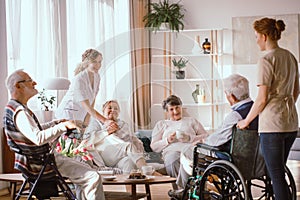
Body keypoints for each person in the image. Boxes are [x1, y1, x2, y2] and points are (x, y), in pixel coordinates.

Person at [3, 69, 106, 200]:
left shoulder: (14, 108)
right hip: (41, 161)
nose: (34, 83)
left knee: (86, 172)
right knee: (93, 176)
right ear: (18, 86)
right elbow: (38, 138)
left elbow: (35, 130)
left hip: (37, 159)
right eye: (30, 81)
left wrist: (56, 122)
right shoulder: (20, 112)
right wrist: (63, 126)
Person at [168, 74, 259, 199]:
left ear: (231, 97)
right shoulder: (258, 110)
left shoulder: (235, 116)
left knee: (188, 150)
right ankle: (193, 188)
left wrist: (202, 141)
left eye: (226, 94)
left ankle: (187, 190)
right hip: (256, 161)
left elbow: (215, 141)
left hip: (231, 159)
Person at [237, 17, 299, 200]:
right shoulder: (290, 56)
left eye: (256, 36)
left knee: (275, 175)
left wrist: (246, 121)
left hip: (272, 125)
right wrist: (284, 107)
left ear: (264, 36)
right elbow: (296, 91)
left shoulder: (266, 60)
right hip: (291, 123)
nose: (256, 40)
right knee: (279, 172)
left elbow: (262, 99)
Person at [84, 100, 156, 174]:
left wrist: (139, 145)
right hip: (105, 154)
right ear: (103, 110)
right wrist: (106, 132)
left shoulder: (124, 125)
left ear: (118, 112)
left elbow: (133, 139)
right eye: (110, 108)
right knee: (128, 146)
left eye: (116, 109)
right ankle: (147, 171)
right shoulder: (96, 123)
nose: (113, 110)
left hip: (122, 155)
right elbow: (87, 141)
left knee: (128, 162)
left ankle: (129, 185)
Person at [150, 95, 208, 185]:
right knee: (172, 159)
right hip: (171, 152)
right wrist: (167, 140)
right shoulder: (161, 124)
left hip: (189, 151)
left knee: (189, 158)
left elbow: (206, 137)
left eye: (177, 108)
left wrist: (189, 138)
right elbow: (153, 147)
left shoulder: (191, 121)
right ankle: (182, 189)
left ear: (181, 107)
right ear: (166, 111)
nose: (176, 111)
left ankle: (185, 191)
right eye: (171, 109)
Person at [55, 48, 116, 130]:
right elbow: (86, 106)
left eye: (100, 62)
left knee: (82, 138)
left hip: (81, 115)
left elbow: (92, 101)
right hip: (67, 114)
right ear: (87, 62)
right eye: (94, 62)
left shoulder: (96, 76)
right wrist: (105, 120)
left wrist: (86, 122)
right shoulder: (79, 79)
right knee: (70, 141)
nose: (98, 65)